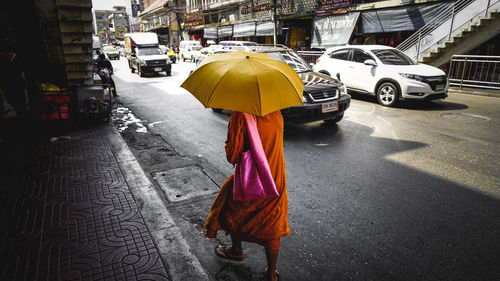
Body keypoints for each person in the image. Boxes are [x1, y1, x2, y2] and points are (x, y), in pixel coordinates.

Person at [202, 110, 289, 281]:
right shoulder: (275, 112)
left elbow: (233, 155)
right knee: (272, 224)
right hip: (276, 178)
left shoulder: (241, 115)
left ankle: (236, 250)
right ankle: (271, 274)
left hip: (252, 180)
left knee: (231, 210)